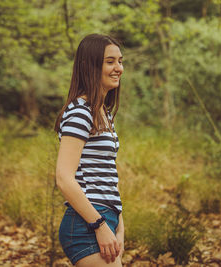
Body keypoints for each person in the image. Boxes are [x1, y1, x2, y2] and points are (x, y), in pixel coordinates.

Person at [54, 34, 124, 267]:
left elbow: (108, 177)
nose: (118, 68)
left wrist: (119, 225)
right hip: (86, 224)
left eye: (120, 61)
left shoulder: (102, 113)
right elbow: (64, 178)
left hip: (107, 219)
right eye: (110, 61)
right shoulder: (80, 112)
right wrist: (100, 225)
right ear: (90, 66)